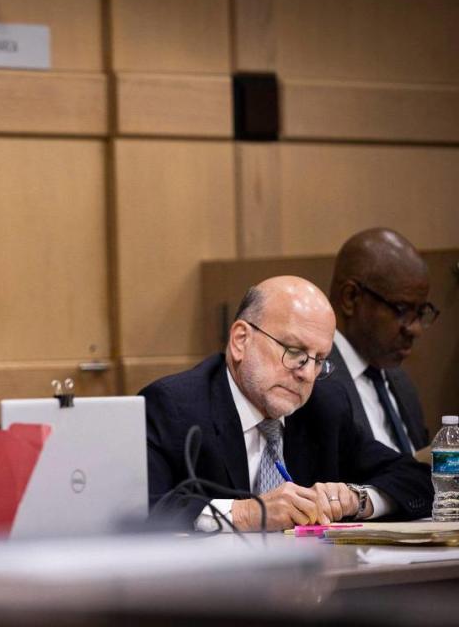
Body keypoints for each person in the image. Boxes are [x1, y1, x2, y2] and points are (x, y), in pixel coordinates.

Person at [141, 276, 432, 532]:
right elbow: (140, 509)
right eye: (295, 351)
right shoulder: (173, 406)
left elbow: (416, 479)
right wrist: (247, 514)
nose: (306, 373)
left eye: (319, 360)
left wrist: (356, 499)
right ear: (241, 340)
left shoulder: (324, 406)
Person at [328, 228, 437, 455]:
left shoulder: (400, 381)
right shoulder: (313, 381)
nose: (415, 329)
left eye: (421, 311)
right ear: (351, 298)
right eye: (402, 309)